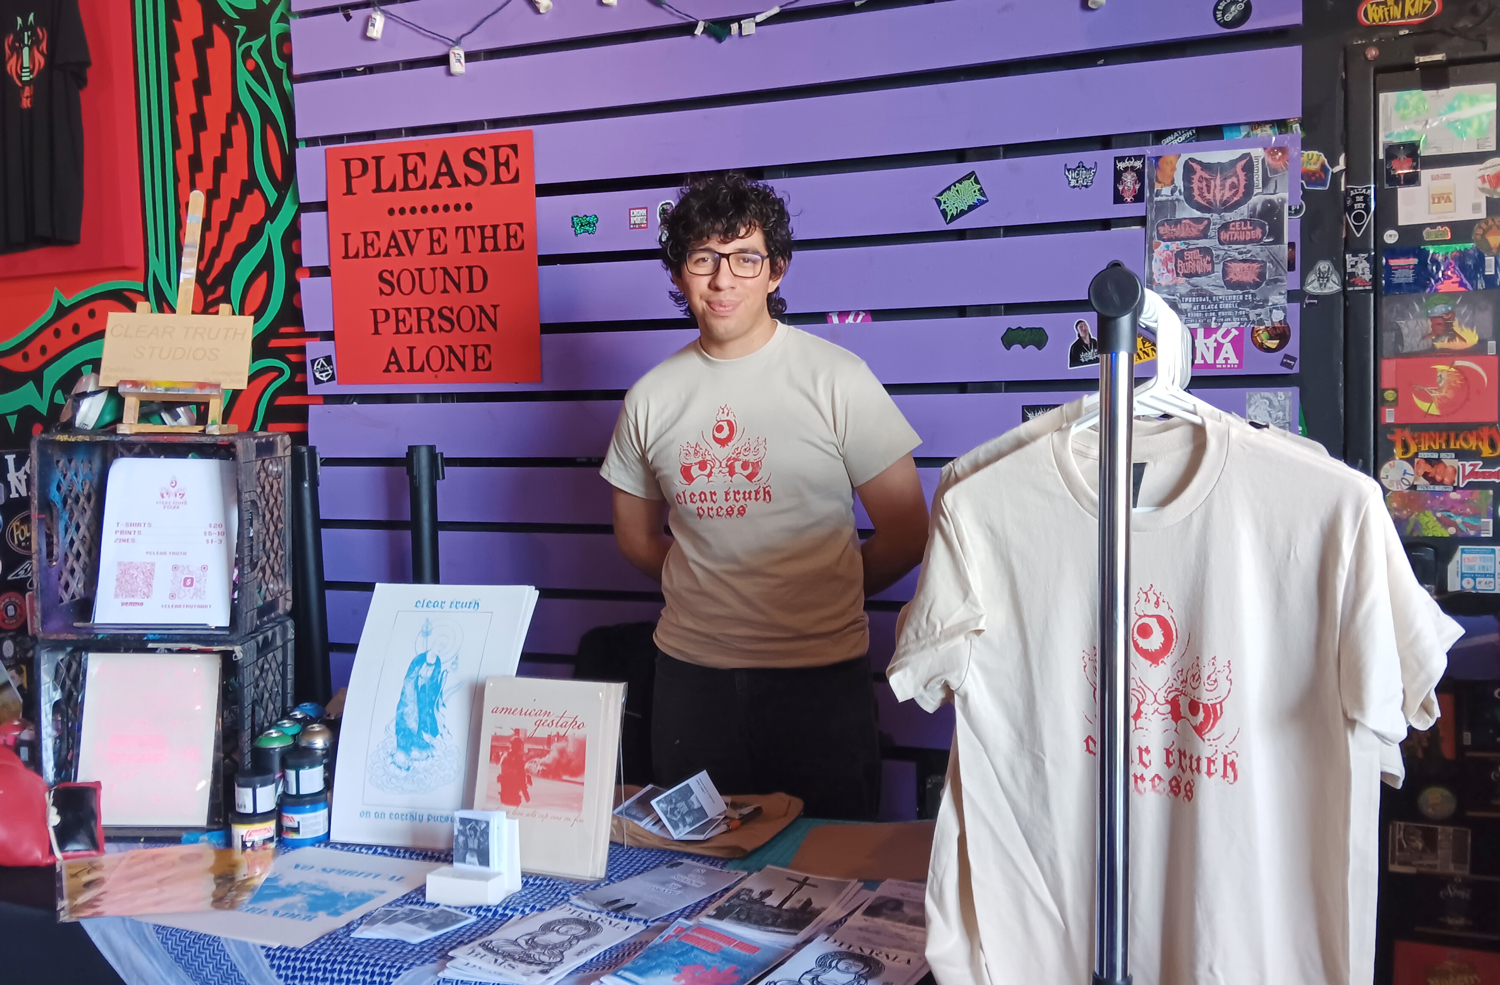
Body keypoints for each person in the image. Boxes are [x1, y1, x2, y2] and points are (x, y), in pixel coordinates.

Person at [600, 172, 929, 820]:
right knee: (696, 866)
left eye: (745, 258)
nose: (723, 279)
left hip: (820, 682)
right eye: (703, 258)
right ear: (680, 272)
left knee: (829, 865)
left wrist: (816, 589)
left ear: (775, 270)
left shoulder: (838, 379)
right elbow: (636, 537)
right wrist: (717, 589)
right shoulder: (651, 397)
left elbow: (906, 530)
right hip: (691, 684)